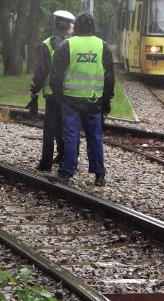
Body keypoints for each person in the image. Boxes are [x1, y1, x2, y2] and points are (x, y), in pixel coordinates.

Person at [45, 11, 114, 187]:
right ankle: (99, 174)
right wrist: (106, 100)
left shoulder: (68, 45)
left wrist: (59, 96)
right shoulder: (103, 46)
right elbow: (109, 77)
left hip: (71, 100)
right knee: (95, 137)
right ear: (93, 27)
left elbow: (56, 75)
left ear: (76, 26)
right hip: (94, 101)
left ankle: (66, 172)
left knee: (71, 136)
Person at [30, 10, 75, 171]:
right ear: (69, 26)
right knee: (68, 128)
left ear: (54, 24)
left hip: (51, 94)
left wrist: (34, 89)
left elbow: (41, 70)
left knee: (50, 128)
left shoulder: (47, 44)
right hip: (70, 93)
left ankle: (46, 162)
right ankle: (67, 158)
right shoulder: (75, 43)